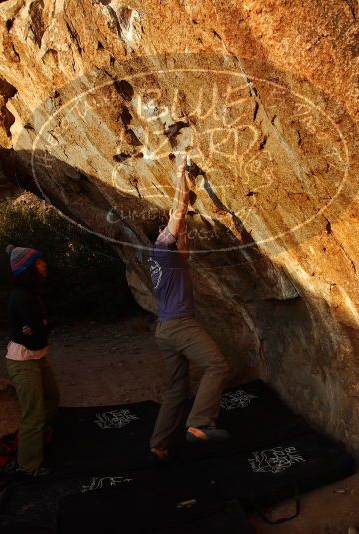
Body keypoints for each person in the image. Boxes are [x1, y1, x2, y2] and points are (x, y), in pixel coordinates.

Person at [148, 153, 231, 462]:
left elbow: (184, 244)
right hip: (181, 326)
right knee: (217, 365)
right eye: (174, 231)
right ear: (162, 234)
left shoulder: (165, 259)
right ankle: (199, 424)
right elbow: (179, 212)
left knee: (176, 390)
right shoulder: (162, 249)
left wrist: (181, 226)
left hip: (165, 331)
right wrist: (181, 172)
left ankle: (158, 446)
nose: (181, 233)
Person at [4, 244, 60, 477]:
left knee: (52, 399)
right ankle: (29, 467)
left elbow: (46, 325)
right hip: (24, 359)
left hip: (36, 355)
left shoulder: (33, 295)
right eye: (39, 262)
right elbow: (38, 335)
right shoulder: (22, 297)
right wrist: (39, 327)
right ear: (29, 269)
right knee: (33, 414)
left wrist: (40, 326)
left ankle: (35, 441)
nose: (44, 264)